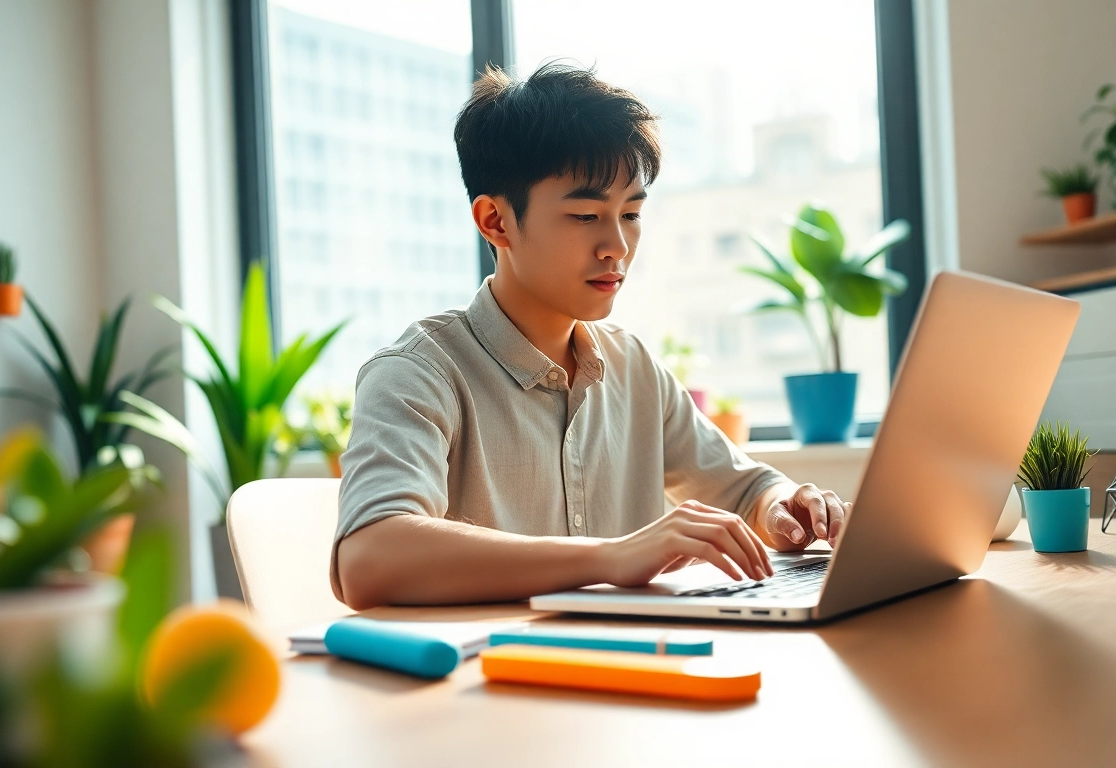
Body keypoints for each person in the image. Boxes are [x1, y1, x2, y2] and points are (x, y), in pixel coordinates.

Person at [331, 63, 850, 610]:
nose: (617, 246)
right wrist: (608, 557)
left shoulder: (632, 368)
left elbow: (743, 490)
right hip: (491, 682)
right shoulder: (418, 374)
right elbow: (369, 557)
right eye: (585, 215)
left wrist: (782, 506)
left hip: (634, 673)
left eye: (630, 214)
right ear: (495, 221)